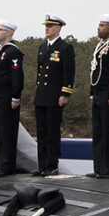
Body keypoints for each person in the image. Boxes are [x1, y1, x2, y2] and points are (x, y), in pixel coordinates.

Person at [33, 16, 75, 176]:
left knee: (52, 132)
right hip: (42, 96)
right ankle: (42, 165)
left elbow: (68, 72)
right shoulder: (43, 47)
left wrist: (65, 93)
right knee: (41, 133)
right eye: (46, 26)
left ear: (58, 28)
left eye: (50, 26)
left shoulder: (64, 48)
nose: (47, 28)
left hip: (54, 96)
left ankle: (52, 165)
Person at [85, 17, 109, 180]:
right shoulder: (100, 45)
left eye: (102, 26)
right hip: (99, 94)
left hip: (108, 95)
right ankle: (98, 167)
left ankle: (107, 169)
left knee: (108, 133)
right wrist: (92, 93)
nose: (98, 28)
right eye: (98, 25)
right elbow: (95, 71)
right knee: (98, 131)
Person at [0, 21, 25, 177]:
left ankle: (6, 166)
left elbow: (17, 76)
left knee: (7, 132)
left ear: (9, 33)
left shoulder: (12, 52)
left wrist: (15, 96)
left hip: (7, 97)